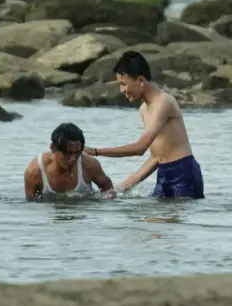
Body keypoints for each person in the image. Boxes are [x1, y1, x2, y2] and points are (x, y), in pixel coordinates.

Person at [83, 50, 204, 200]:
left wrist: (95, 151)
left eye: (123, 84)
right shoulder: (144, 110)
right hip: (163, 174)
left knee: (171, 223)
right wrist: (120, 189)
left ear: (140, 80)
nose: (122, 90)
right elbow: (155, 158)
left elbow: (140, 148)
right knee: (150, 220)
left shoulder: (164, 102)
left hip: (184, 173)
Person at [24, 122, 114, 200]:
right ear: (53, 148)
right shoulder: (35, 171)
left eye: (77, 153)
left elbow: (108, 189)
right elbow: (31, 204)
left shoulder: (89, 165)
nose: (73, 159)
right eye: (67, 154)